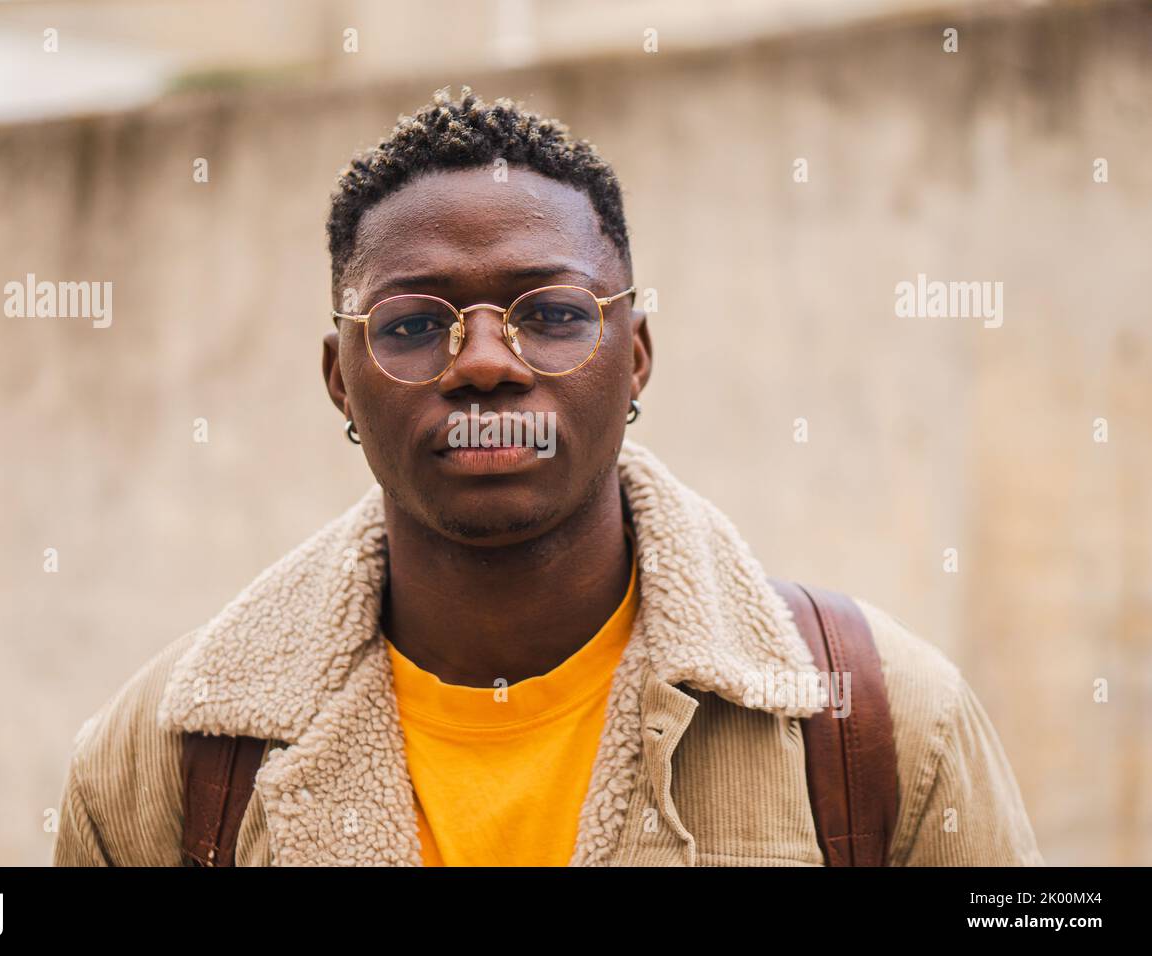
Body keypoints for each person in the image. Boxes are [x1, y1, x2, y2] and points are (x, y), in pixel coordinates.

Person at [52, 87, 1043, 867]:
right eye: (411, 325)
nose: (484, 360)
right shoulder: (168, 764)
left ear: (637, 355)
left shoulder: (880, 723)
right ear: (338, 381)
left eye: (552, 313)